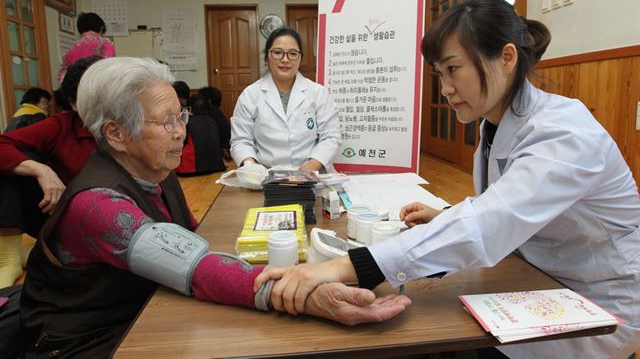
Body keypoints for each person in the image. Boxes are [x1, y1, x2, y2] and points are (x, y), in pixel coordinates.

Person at [256, 0, 640, 359]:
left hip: (596, 300)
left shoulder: (565, 133)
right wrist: (447, 216)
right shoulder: (498, 122)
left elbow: (494, 220)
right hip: (535, 278)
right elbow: (513, 206)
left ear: (506, 58)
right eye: (440, 74)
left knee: (419, 331)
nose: (446, 88)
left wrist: (344, 267)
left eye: (453, 69)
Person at [19, 57, 411, 357]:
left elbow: (188, 237)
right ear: (116, 134)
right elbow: (193, 263)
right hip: (87, 339)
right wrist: (304, 294)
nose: (180, 131)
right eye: (165, 122)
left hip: (146, 305)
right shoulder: (97, 206)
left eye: (181, 115)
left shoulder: (155, 167)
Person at [0, 56, 100, 288]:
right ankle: (8, 257)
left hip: (111, 218)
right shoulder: (63, 124)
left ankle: (36, 252)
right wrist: (41, 170)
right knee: (12, 165)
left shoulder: (132, 124)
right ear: (73, 103)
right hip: (64, 215)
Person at [231, 27, 341, 171]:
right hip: (265, 177)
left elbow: (331, 137)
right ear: (267, 57)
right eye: (277, 53)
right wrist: (250, 166)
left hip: (312, 175)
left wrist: (311, 167)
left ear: (300, 57)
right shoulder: (250, 95)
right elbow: (241, 140)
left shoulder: (317, 93)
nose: (285, 59)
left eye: (292, 54)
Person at [175, 93, 226, 175]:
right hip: (216, 166)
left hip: (192, 169)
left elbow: (181, 143)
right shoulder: (212, 121)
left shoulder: (187, 123)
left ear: (190, 108)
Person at [57, 12, 115, 82]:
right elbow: (109, 70)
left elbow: (62, 78)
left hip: (76, 88)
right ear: (101, 28)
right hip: (96, 86)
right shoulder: (104, 43)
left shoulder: (70, 50)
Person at [198, 86, 231, 154]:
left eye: (201, 98)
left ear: (209, 101)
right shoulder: (216, 111)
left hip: (220, 150)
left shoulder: (211, 113)